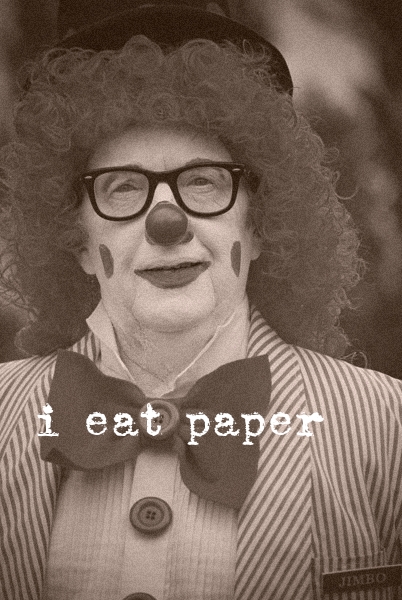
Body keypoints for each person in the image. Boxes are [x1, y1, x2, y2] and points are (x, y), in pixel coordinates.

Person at [1, 2, 402, 599]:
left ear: (259, 225)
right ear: (77, 240)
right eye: (122, 188)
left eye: (203, 181)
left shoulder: (388, 427)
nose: (167, 222)